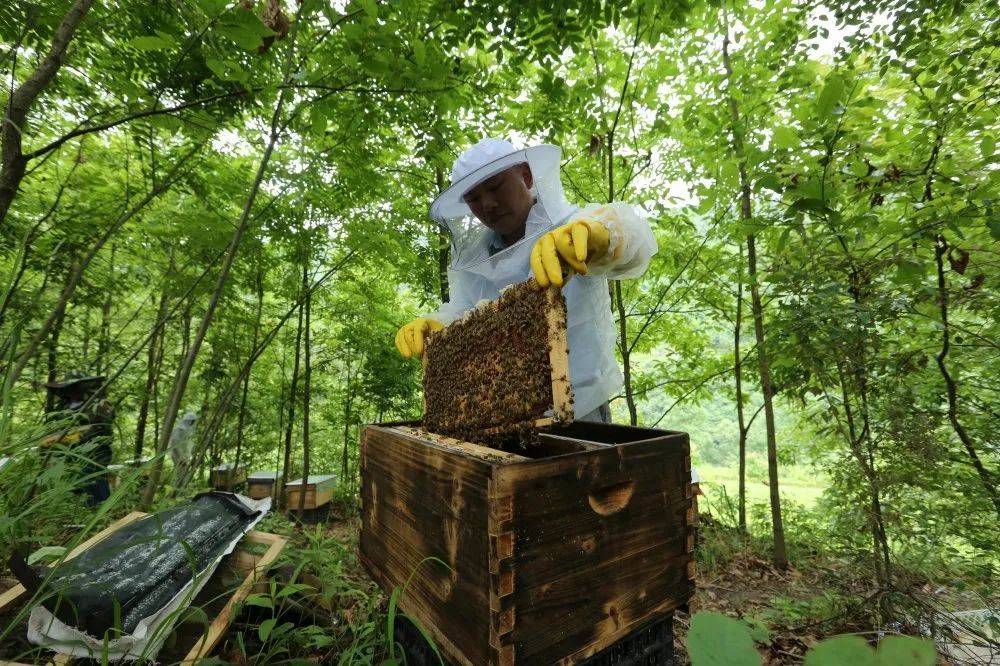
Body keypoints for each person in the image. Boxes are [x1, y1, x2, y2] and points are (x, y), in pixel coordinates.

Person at [394, 138, 657, 422]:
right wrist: (439, 328)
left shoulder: (571, 224)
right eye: (474, 198)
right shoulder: (477, 261)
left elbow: (634, 241)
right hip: (504, 417)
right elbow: (464, 312)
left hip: (581, 407)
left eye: (496, 187)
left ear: (526, 175)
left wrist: (602, 237)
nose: (488, 204)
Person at [42, 374, 115, 505]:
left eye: (75, 387)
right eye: (69, 387)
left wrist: (75, 436)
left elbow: (102, 427)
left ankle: (102, 514)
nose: (72, 390)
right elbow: (55, 425)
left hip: (95, 453)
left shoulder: (99, 403)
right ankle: (79, 518)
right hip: (69, 456)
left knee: (95, 483)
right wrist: (51, 439)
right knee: (75, 488)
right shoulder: (64, 406)